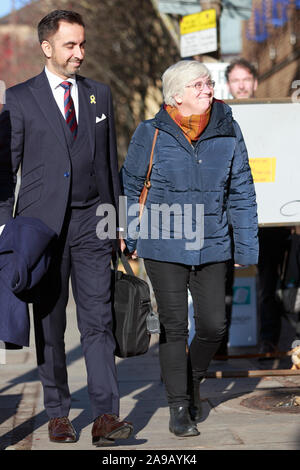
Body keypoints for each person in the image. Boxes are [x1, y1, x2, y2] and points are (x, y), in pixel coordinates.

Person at [0, 10, 133, 447]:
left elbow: (109, 165)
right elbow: (6, 172)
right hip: (42, 229)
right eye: (71, 45)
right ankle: (58, 413)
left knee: (98, 322)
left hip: (93, 223)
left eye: (82, 44)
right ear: (47, 47)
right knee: (51, 324)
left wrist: (118, 220)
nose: (80, 53)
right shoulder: (20, 99)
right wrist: (5, 231)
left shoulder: (100, 95)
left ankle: (105, 416)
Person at [120, 60, 258, 437]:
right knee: (174, 327)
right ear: (176, 95)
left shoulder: (229, 129)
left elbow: (242, 190)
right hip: (163, 244)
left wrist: (246, 245)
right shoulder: (150, 133)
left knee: (214, 325)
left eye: (209, 83)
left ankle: (192, 378)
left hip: (213, 243)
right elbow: (131, 186)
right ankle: (179, 406)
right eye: (197, 85)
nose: (207, 89)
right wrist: (128, 236)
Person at [226, 58, 290, 356]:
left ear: (254, 82)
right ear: (229, 85)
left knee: (268, 282)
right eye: (235, 80)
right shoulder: (219, 116)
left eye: (246, 79)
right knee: (222, 282)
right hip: (228, 218)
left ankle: (268, 340)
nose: (241, 85)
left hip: (267, 215)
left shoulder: (275, 114)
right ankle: (217, 344)